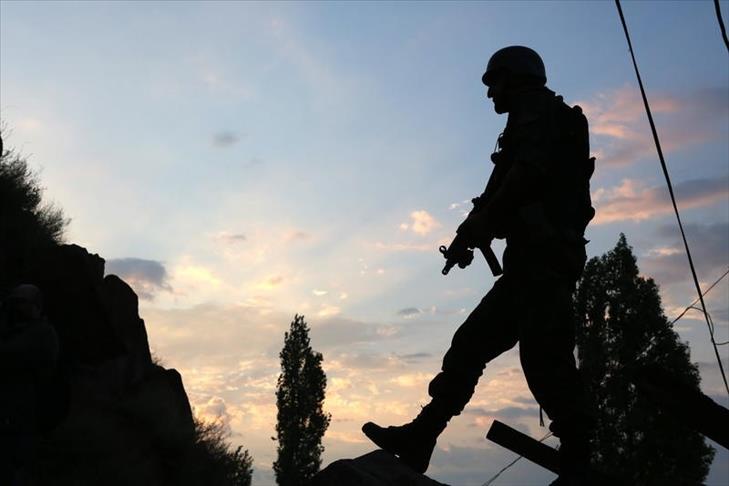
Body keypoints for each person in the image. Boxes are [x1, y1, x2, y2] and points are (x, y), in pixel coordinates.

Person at [362, 46, 596, 485]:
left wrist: (482, 222)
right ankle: (422, 436)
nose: (490, 93)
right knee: (469, 346)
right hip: (527, 263)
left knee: (544, 358)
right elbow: (507, 187)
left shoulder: (539, 113)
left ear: (516, 77)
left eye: (495, 82)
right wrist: (476, 229)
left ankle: (579, 461)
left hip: (544, 261)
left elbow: (526, 176)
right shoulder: (526, 121)